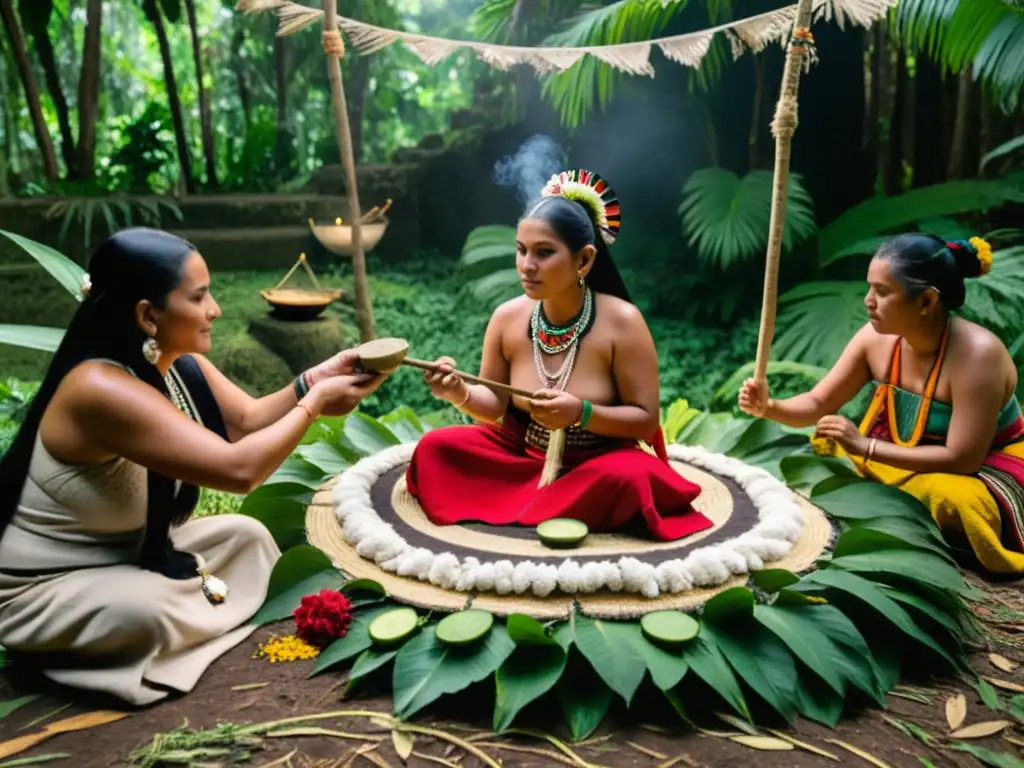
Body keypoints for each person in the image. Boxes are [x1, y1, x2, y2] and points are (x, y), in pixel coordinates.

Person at [0, 228, 386, 706]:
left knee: (247, 538)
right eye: (200, 297)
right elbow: (239, 470)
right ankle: (121, 637)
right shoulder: (98, 388)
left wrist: (313, 381)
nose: (215, 310)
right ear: (147, 314)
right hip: (47, 588)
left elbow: (246, 422)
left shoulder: (171, 361)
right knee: (148, 613)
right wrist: (316, 406)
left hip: (128, 552)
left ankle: (190, 620)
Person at [405, 169, 711, 541]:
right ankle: (546, 505)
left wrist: (581, 413)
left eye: (544, 253)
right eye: (521, 250)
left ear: (583, 260)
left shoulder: (623, 323)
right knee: (436, 448)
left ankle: (530, 506)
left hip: (599, 465)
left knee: (632, 478)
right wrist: (458, 392)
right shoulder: (506, 318)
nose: (526, 265)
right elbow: (495, 406)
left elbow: (645, 421)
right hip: (523, 456)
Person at [738, 234, 1024, 573]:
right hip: (900, 451)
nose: (868, 301)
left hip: (984, 464)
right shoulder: (874, 338)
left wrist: (865, 447)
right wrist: (770, 406)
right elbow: (818, 401)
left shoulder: (978, 356)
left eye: (883, 292)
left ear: (926, 302)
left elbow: (962, 459)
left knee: (952, 499)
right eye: (869, 288)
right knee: (823, 454)